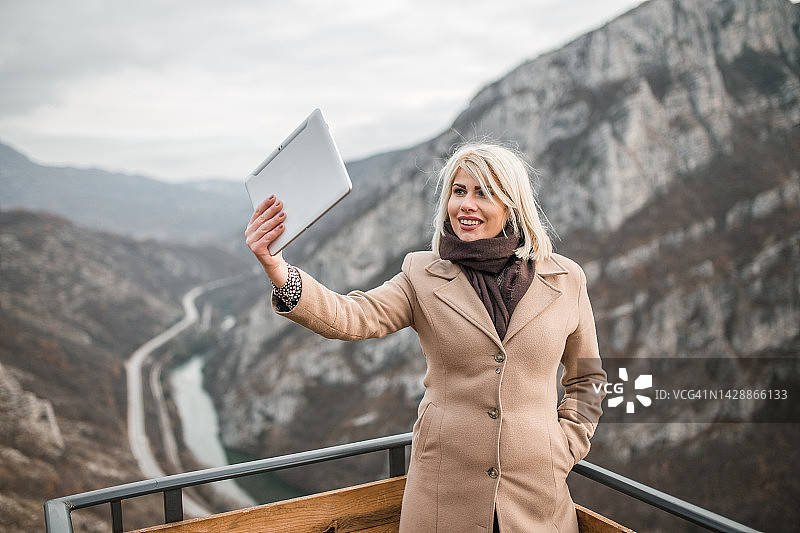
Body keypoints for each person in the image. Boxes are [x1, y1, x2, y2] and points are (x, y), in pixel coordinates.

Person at [245, 142, 607, 532]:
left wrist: (565, 446)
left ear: (512, 205)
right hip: (443, 497)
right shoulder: (421, 275)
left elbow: (588, 376)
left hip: (538, 500)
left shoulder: (566, 279)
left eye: (483, 193)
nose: (466, 204)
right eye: (459, 191)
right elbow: (352, 316)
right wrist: (278, 269)